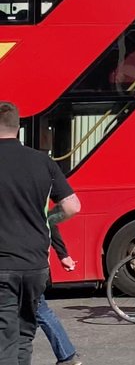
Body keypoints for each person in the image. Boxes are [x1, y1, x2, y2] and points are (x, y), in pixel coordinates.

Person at [0, 101, 81, 365]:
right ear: (18, 127)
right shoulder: (41, 161)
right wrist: (46, 217)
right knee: (24, 336)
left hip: (3, 264)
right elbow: (72, 206)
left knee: (5, 337)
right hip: (36, 265)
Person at [37, 226, 82, 365]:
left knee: (38, 309)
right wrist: (63, 255)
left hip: (19, 266)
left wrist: (63, 254)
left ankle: (67, 355)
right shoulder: (36, 205)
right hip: (36, 265)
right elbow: (51, 224)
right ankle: (67, 355)